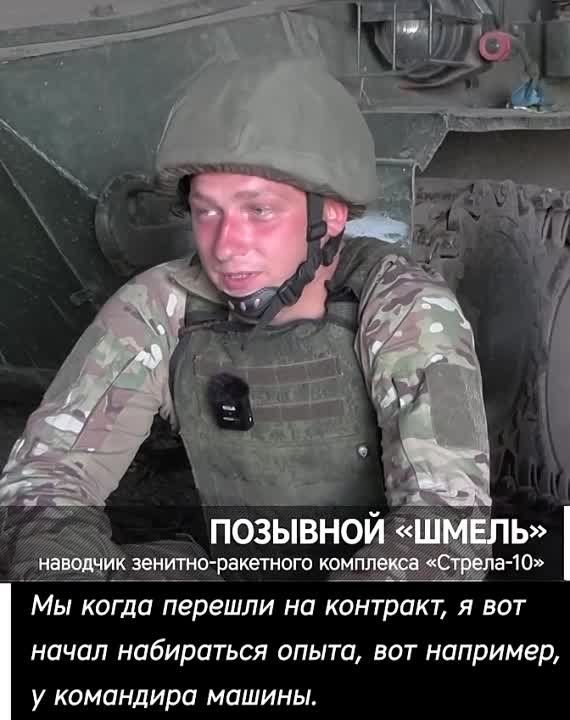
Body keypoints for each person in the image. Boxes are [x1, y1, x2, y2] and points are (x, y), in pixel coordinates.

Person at [0, 56, 491, 582]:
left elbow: (448, 524)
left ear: (329, 215)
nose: (226, 246)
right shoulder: (162, 304)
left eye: (259, 211)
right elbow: (44, 480)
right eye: (207, 211)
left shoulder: (403, 307)